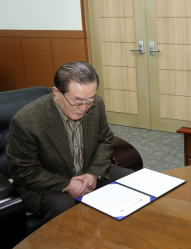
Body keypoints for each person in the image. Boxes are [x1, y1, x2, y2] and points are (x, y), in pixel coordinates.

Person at [6, 61, 134, 222]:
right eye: (77, 101)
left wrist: (93, 173)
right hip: (47, 184)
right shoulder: (26, 121)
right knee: (64, 207)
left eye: (89, 100)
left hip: (87, 171)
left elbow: (105, 139)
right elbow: (23, 171)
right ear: (57, 93)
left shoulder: (96, 105)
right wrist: (66, 184)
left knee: (132, 182)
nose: (83, 108)